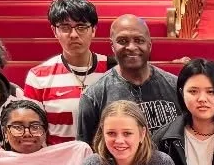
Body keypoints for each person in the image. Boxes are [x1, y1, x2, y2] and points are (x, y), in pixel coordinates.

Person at [73, 15, 180, 143]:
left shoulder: (176, 87)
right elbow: (85, 150)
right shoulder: (93, 96)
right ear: (112, 46)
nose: (131, 47)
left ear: (149, 45)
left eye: (139, 40)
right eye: (123, 41)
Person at [22, 0, 111, 140]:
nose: (74, 34)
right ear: (54, 31)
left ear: (93, 30)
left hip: (105, 160)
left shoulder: (112, 70)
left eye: (81, 27)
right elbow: (33, 133)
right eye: (65, 27)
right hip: (59, 160)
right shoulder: (38, 77)